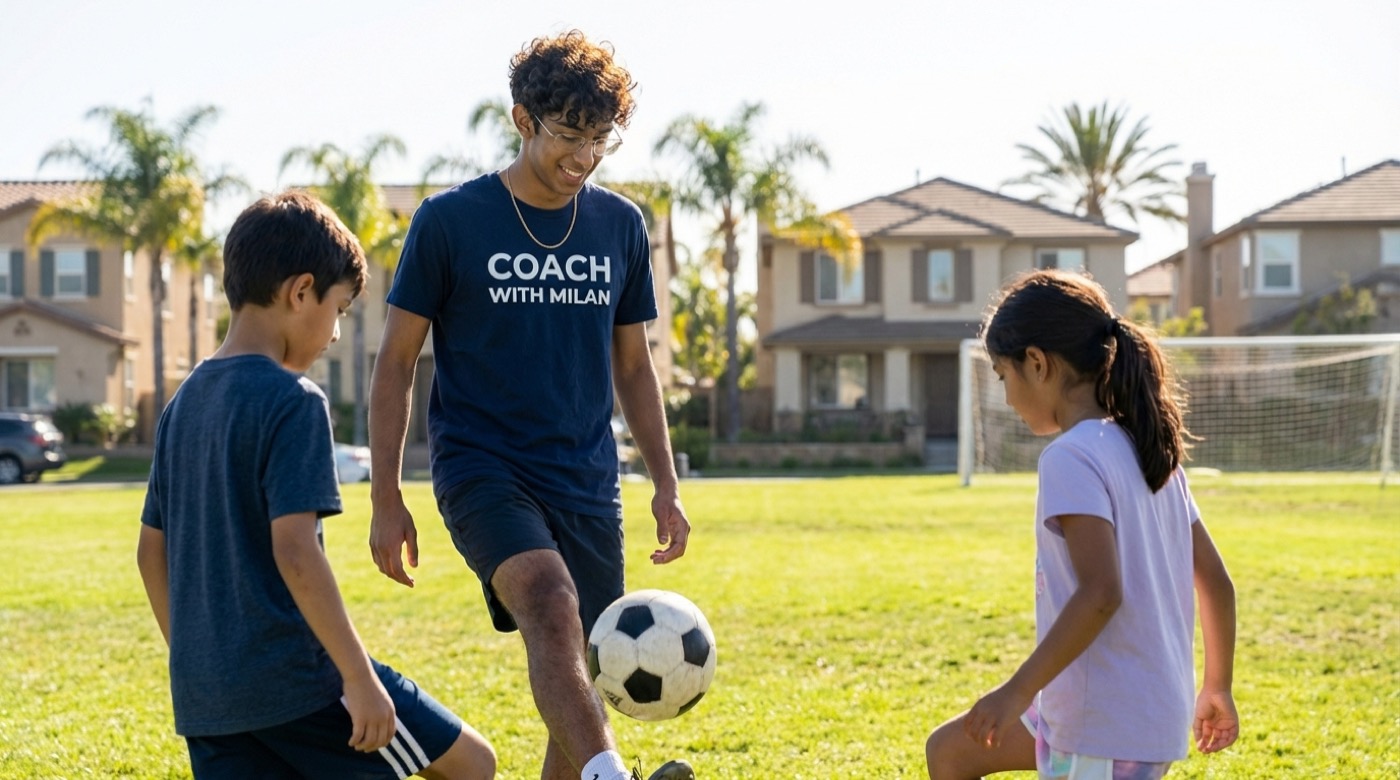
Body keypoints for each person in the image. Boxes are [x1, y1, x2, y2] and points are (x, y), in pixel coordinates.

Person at [367, 30, 695, 780]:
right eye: (568, 137)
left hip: (584, 475)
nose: (583, 158)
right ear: (523, 120)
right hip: (483, 470)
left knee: (591, 656)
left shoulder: (620, 226)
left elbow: (634, 368)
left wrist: (666, 483)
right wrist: (387, 496)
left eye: (600, 141)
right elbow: (393, 365)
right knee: (549, 602)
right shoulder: (449, 222)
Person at [136, 190, 496, 780]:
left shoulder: (184, 402)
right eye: (340, 309)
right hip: (304, 686)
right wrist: (358, 680)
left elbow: (151, 551)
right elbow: (296, 551)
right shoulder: (293, 401)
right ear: (301, 292)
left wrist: (196, 661)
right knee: (472, 765)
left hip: (209, 697)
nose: (334, 334)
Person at [925, 269, 1239, 780]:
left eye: (1004, 378)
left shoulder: (1070, 457)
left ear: (1037, 363)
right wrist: (1217, 687)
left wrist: (1016, 689)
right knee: (951, 752)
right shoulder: (1147, 448)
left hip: (1105, 725)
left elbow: (1101, 593)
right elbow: (1218, 584)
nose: (1006, 398)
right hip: (1122, 710)